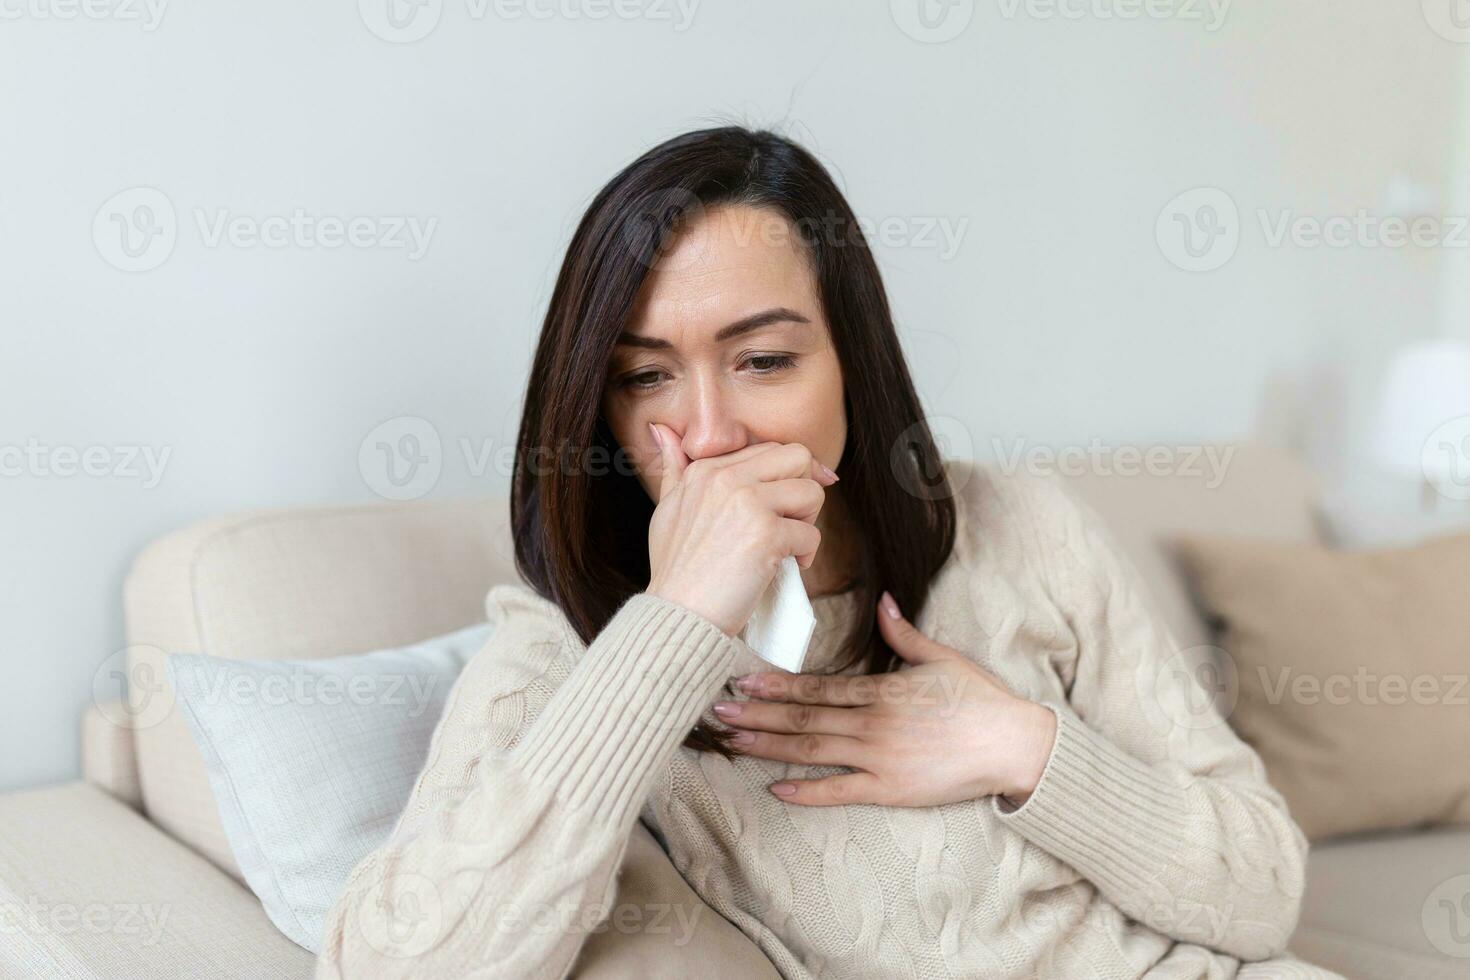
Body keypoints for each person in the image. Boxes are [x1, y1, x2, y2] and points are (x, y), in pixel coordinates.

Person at [316, 126, 1340, 979]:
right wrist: (674, 624)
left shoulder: (1022, 525)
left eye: (763, 360)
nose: (710, 433)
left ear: (855, 358)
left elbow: (1265, 892)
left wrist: (1023, 746)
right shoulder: (565, 652)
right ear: (595, 405)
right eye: (645, 377)